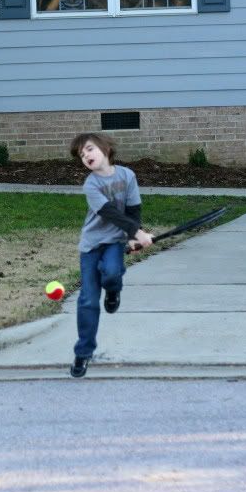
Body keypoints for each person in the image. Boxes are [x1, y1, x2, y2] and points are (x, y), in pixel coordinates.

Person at [69, 132, 154, 378]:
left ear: (105, 149)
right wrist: (137, 233)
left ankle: (113, 289)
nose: (86, 156)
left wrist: (132, 236)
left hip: (115, 242)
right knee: (87, 300)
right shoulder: (91, 184)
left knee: (112, 273)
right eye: (81, 155)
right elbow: (109, 213)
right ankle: (83, 353)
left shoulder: (127, 176)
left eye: (89, 149)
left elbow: (133, 209)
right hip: (91, 246)